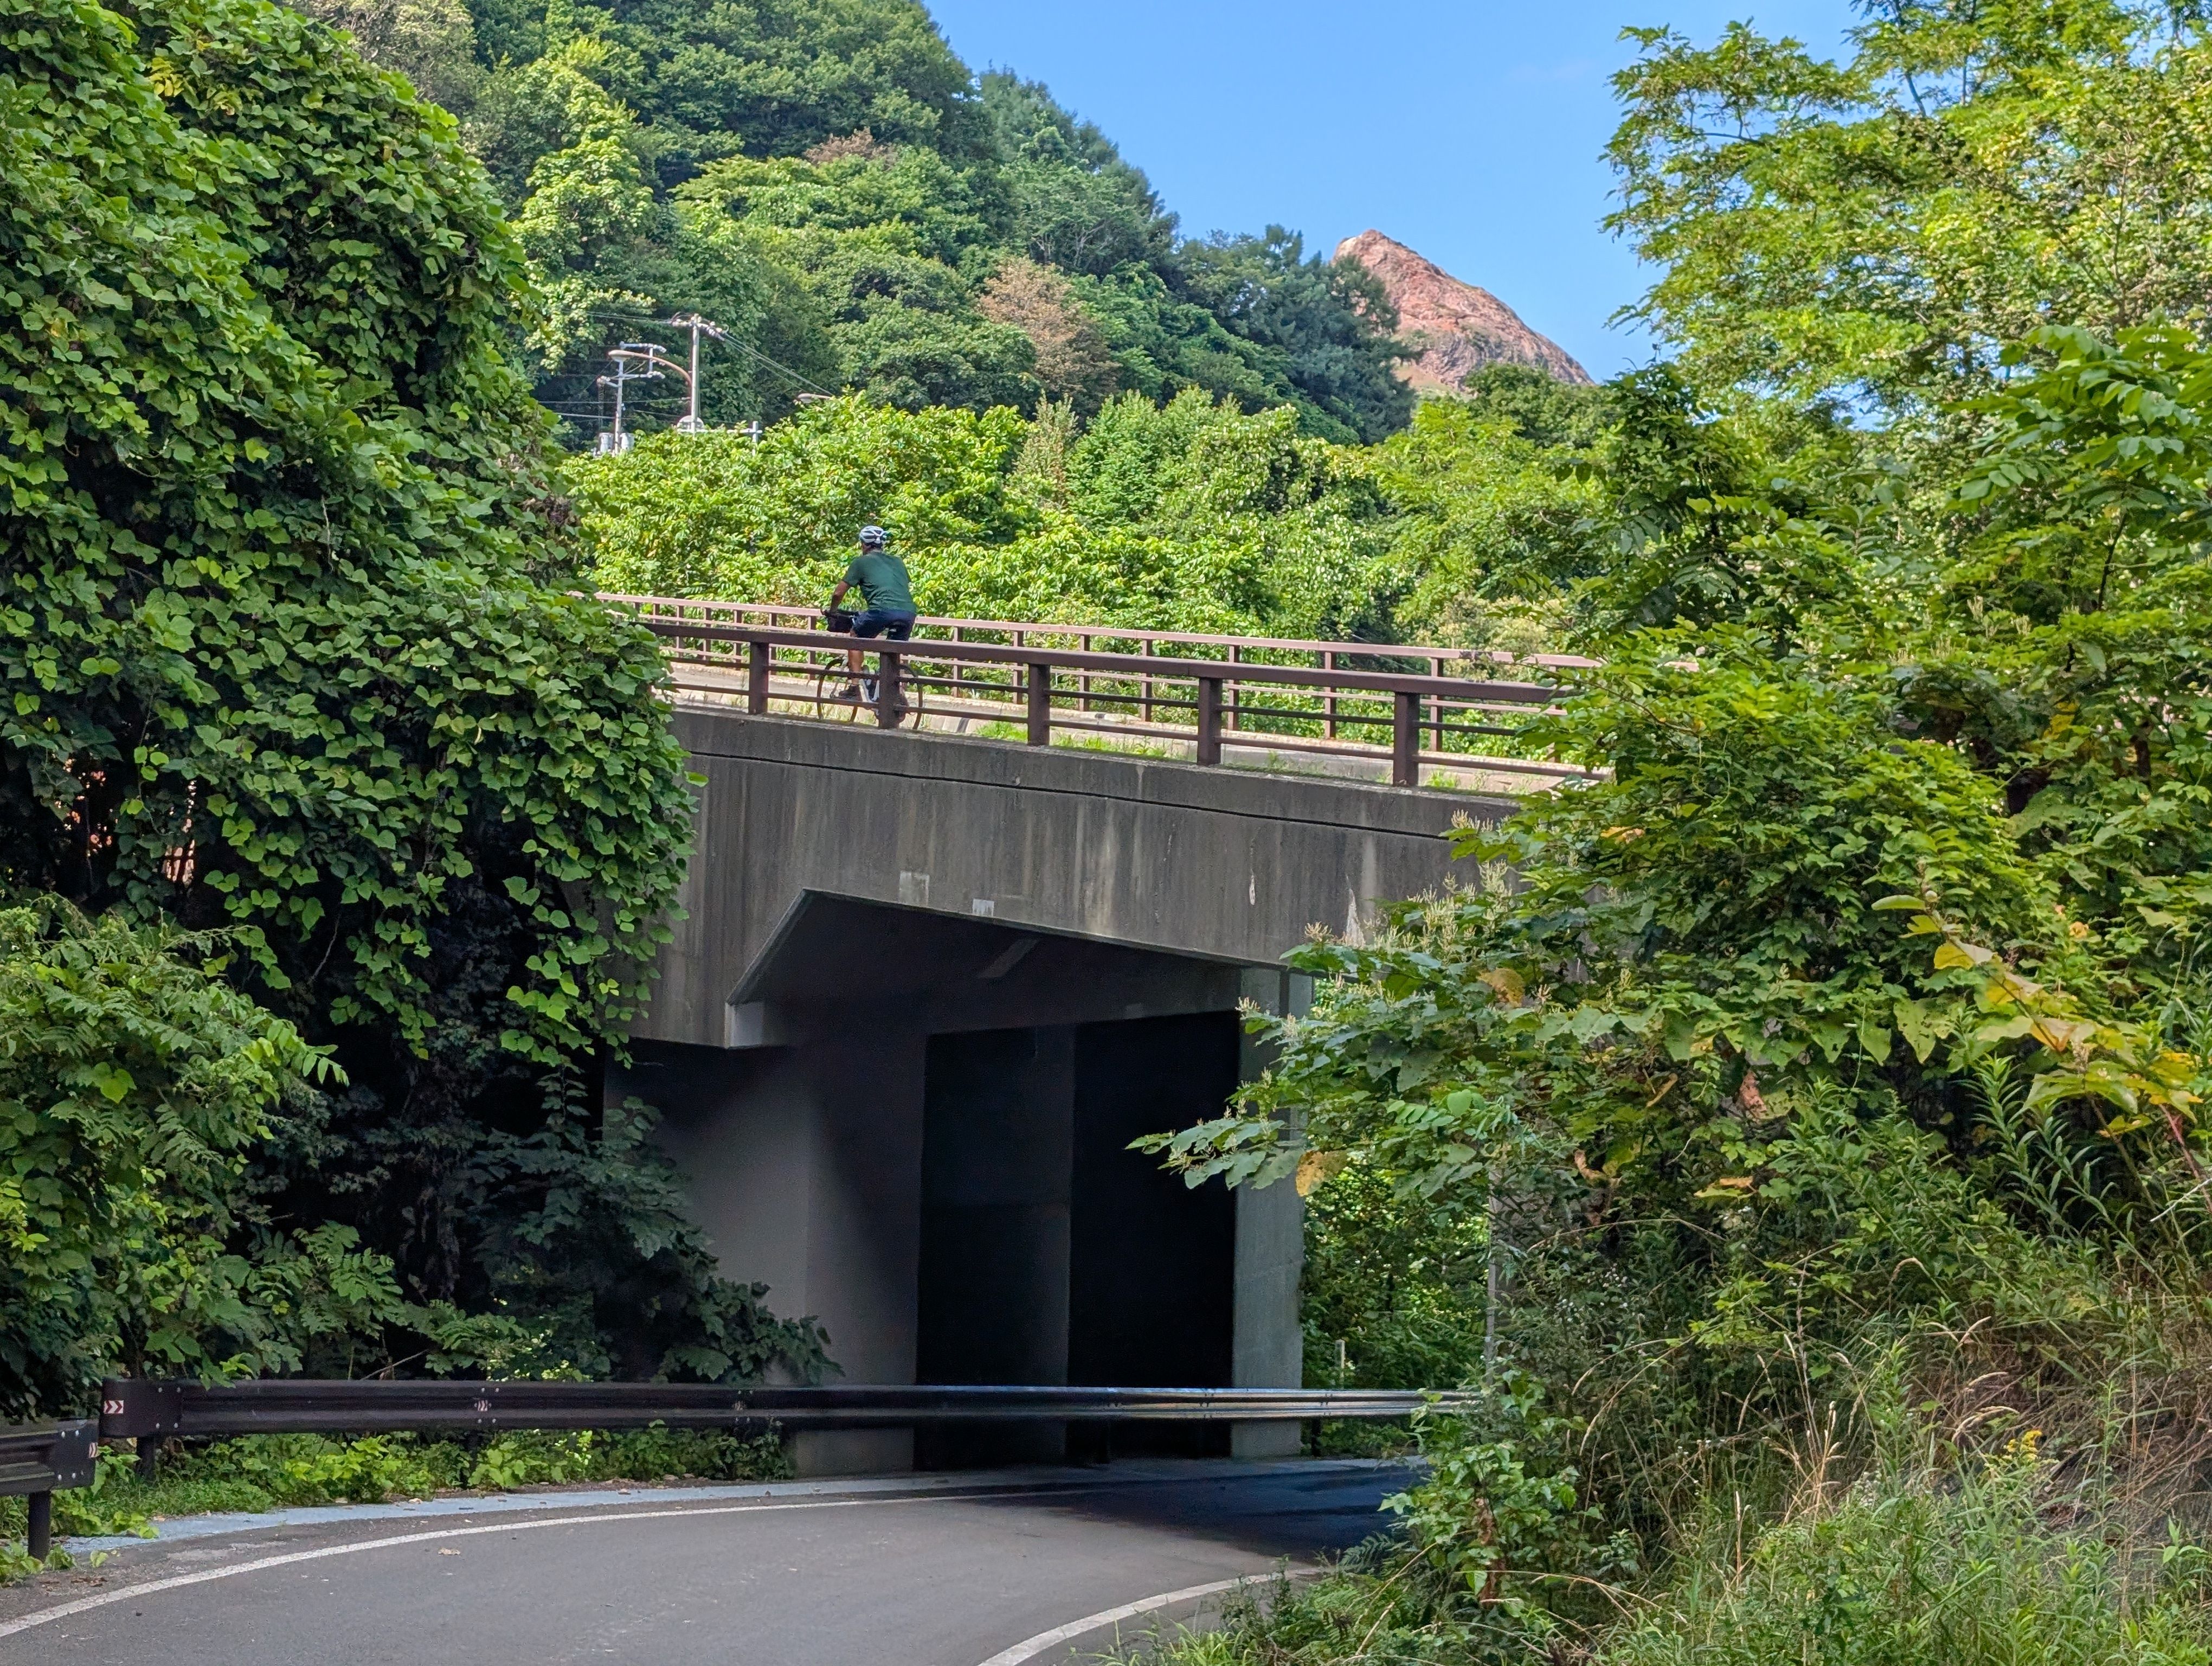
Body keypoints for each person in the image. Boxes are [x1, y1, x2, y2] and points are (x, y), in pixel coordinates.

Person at [829, 525, 916, 708]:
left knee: (856, 638)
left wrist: (833, 611)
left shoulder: (862, 562)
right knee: (891, 650)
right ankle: (893, 691)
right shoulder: (898, 562)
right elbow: (893, 589)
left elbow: (838, 593)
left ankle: (854, 690)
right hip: (908, 613)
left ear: (864, 544)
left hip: (881, 610)